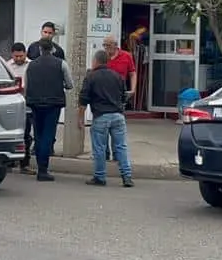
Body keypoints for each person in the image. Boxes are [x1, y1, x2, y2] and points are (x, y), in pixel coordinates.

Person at [78, 49, 134, 187]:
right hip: (118, 116)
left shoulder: (91, 77)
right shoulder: (117, 76)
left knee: (99, 148)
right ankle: (127, 176)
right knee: (121, 147)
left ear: (95, 61)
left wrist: (80, 118)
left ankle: (100, 176)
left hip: (101, 116)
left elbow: (83, 99)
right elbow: (123, 96)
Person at [24, 38, 73, 181]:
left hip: (35, 104)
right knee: (48, 135)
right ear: (53, 49)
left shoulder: (31, 65)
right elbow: (69, 84)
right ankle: (43, 170)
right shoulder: (61, 64)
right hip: (53, 104)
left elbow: (26, 86)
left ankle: (40, 167)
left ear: (40, 49)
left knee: (38, 134)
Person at [101, 35, 137, 160]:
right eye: (104, 45)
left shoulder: (126, 56)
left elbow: (132, 73)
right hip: (103, 95)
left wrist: (133, 89)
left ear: (116, 45)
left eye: (108, 45)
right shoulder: (102, 57)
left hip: (119, 96)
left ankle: (117, 154)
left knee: (116, 127)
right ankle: (105, 153)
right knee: (102, 126)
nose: (106, 48)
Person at [6, 42, 35, 175]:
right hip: (11, 104)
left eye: (21, 56)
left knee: (26, 135)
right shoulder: (7, 66)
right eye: (16, 56)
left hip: (27, 104)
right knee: (10, 134)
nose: (18, 59)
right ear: (12, 55)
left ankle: (25, 164)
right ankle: (9, 162)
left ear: (25, 54)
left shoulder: (32, 65)